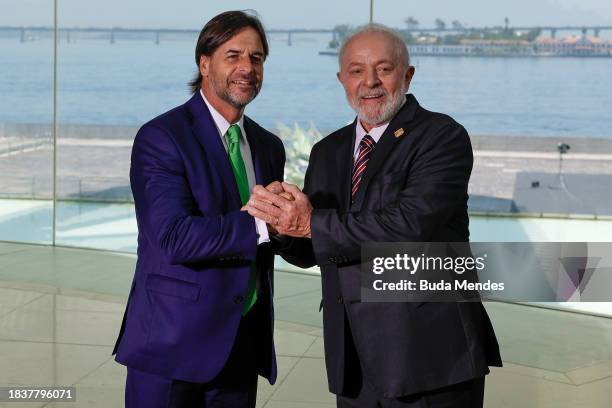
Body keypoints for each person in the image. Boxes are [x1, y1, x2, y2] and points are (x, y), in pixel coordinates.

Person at [247, 24, 502, 407]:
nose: (370, 82)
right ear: (341, 80)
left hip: (429, 357)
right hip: (351, 358)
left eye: (383, 69)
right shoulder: (326, 151)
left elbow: (408, 226)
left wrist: (308, 222)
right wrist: (281, 224)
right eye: (356, 71)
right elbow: (316, 246)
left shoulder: (442, 137)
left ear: (407, 74)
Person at [112, 10, 284, 408]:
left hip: (241, 342)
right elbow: (173, 237)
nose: (247, 68)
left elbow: (271, 240)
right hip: (172, 344)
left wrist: (297, 227)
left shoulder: (268, 146)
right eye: (233, 55)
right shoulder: (162, 137)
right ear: (204, 63)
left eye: (256, 58)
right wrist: (264, 224)